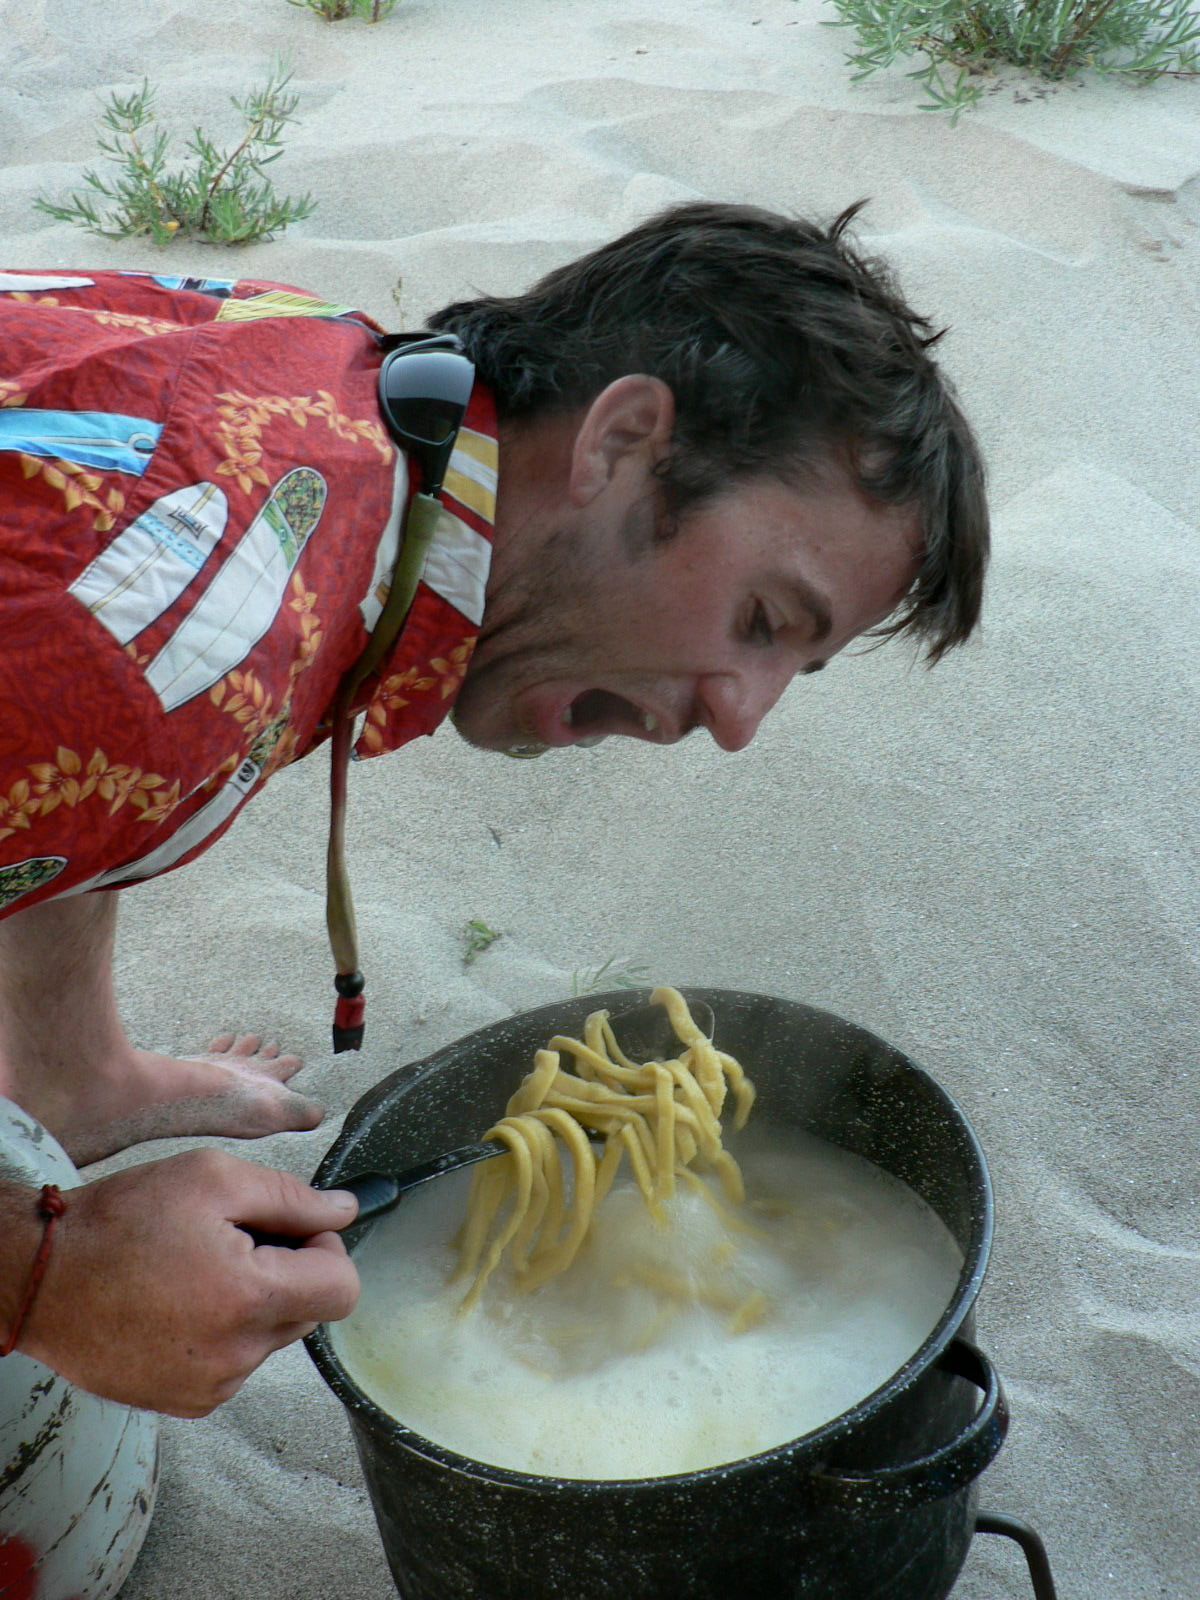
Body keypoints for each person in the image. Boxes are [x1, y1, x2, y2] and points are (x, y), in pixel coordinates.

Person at [0, 201, 989, 1420]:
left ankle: (69, 1068)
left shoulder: (329, 375)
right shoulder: (179, 640)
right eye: (764, 622)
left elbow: (60, 765)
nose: (742, 721)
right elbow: (92, 699)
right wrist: (41, 1277)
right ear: (621, 441)